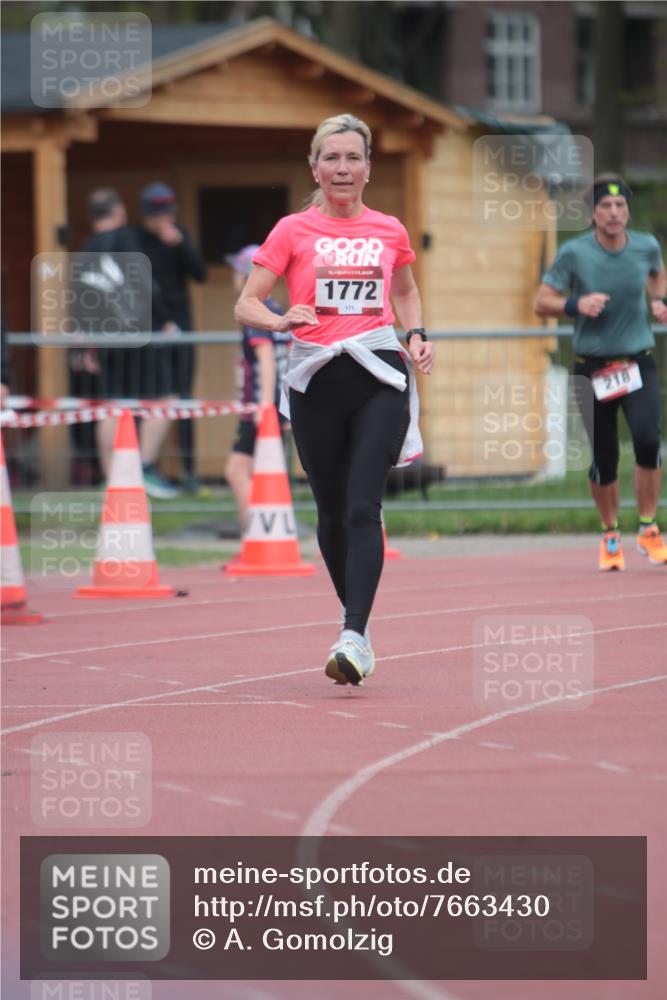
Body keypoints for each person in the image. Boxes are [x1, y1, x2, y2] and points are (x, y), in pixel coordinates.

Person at [234, 113, 434, 686]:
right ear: (315, 168)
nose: (342, 169)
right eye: (332, 158)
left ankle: (351, 632)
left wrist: (416, 335)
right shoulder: (291, 230)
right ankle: (361, 631)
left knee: (361, 505)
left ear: (368, 169)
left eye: (353, 158)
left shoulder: (389, 229)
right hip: (317, 377)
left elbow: (407, 291)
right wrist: (279, 319)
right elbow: (246, 303)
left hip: (379, 374)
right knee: (328, 513)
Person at [535, 174, 667, 570]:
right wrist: (577, 304)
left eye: (621, 206)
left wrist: (659, 300)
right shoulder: (575, 253)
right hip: (592, 366)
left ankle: (647, 527)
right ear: (593, 213)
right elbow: (542, 301)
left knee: (647, 441)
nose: (614, 213)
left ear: (628, 211)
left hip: (636, 361)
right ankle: (610, 533)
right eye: (605, 207)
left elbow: (657, 274)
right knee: (605, 456)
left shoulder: (646, 246)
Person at [74, 188, 180, 498]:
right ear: (119, 212)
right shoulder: (127, 239)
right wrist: (164, 320)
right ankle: (143, 467)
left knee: (111, 406)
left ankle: (112, 479)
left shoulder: (83, 252)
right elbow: (144, 283)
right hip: (137, 333)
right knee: (164, 400)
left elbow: (79, 300)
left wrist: (83, 345)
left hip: (102, 337)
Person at [139, 183, 207, 493]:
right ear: (146, 217)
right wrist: (159, 321)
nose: (163, 221)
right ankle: (145, 466)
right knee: (157, 396)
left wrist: (180, 244)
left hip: (182, 326)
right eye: (157, 215)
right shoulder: (137, 241)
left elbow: (200, 274)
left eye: (168, 214)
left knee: (184, 397)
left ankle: (189, 471)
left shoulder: (179, 235)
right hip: (152, 327)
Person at [224, 244, 290, 530]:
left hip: (263, 406)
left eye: (237, 272)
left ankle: (256, 534)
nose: (234, 278)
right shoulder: (275, 310)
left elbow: (265, 360)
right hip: (278, 403)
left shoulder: (255, 312)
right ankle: (262, 533)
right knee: (262, 470)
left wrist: (264, 406)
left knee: (237, 471)